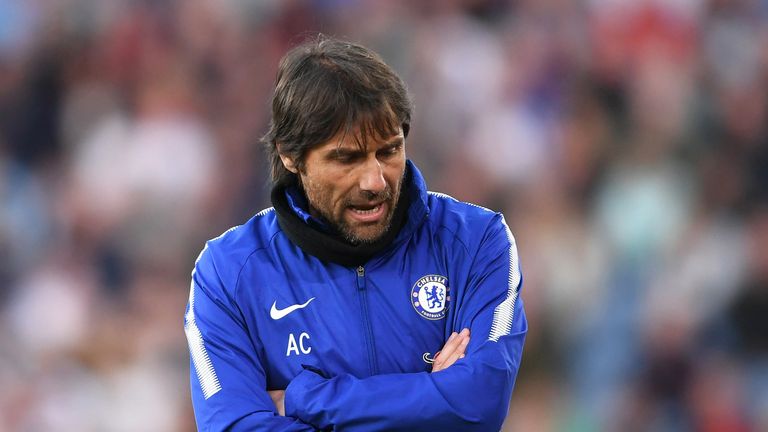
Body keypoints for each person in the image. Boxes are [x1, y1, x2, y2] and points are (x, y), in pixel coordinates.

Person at [184, 35, 527, 431]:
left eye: (389, 151)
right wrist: (432, 397)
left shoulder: (476, 241)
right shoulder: (227, 273)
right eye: (347, 158)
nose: (375, 181)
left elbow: (480, 402)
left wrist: (302, 398)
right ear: (290, 155)